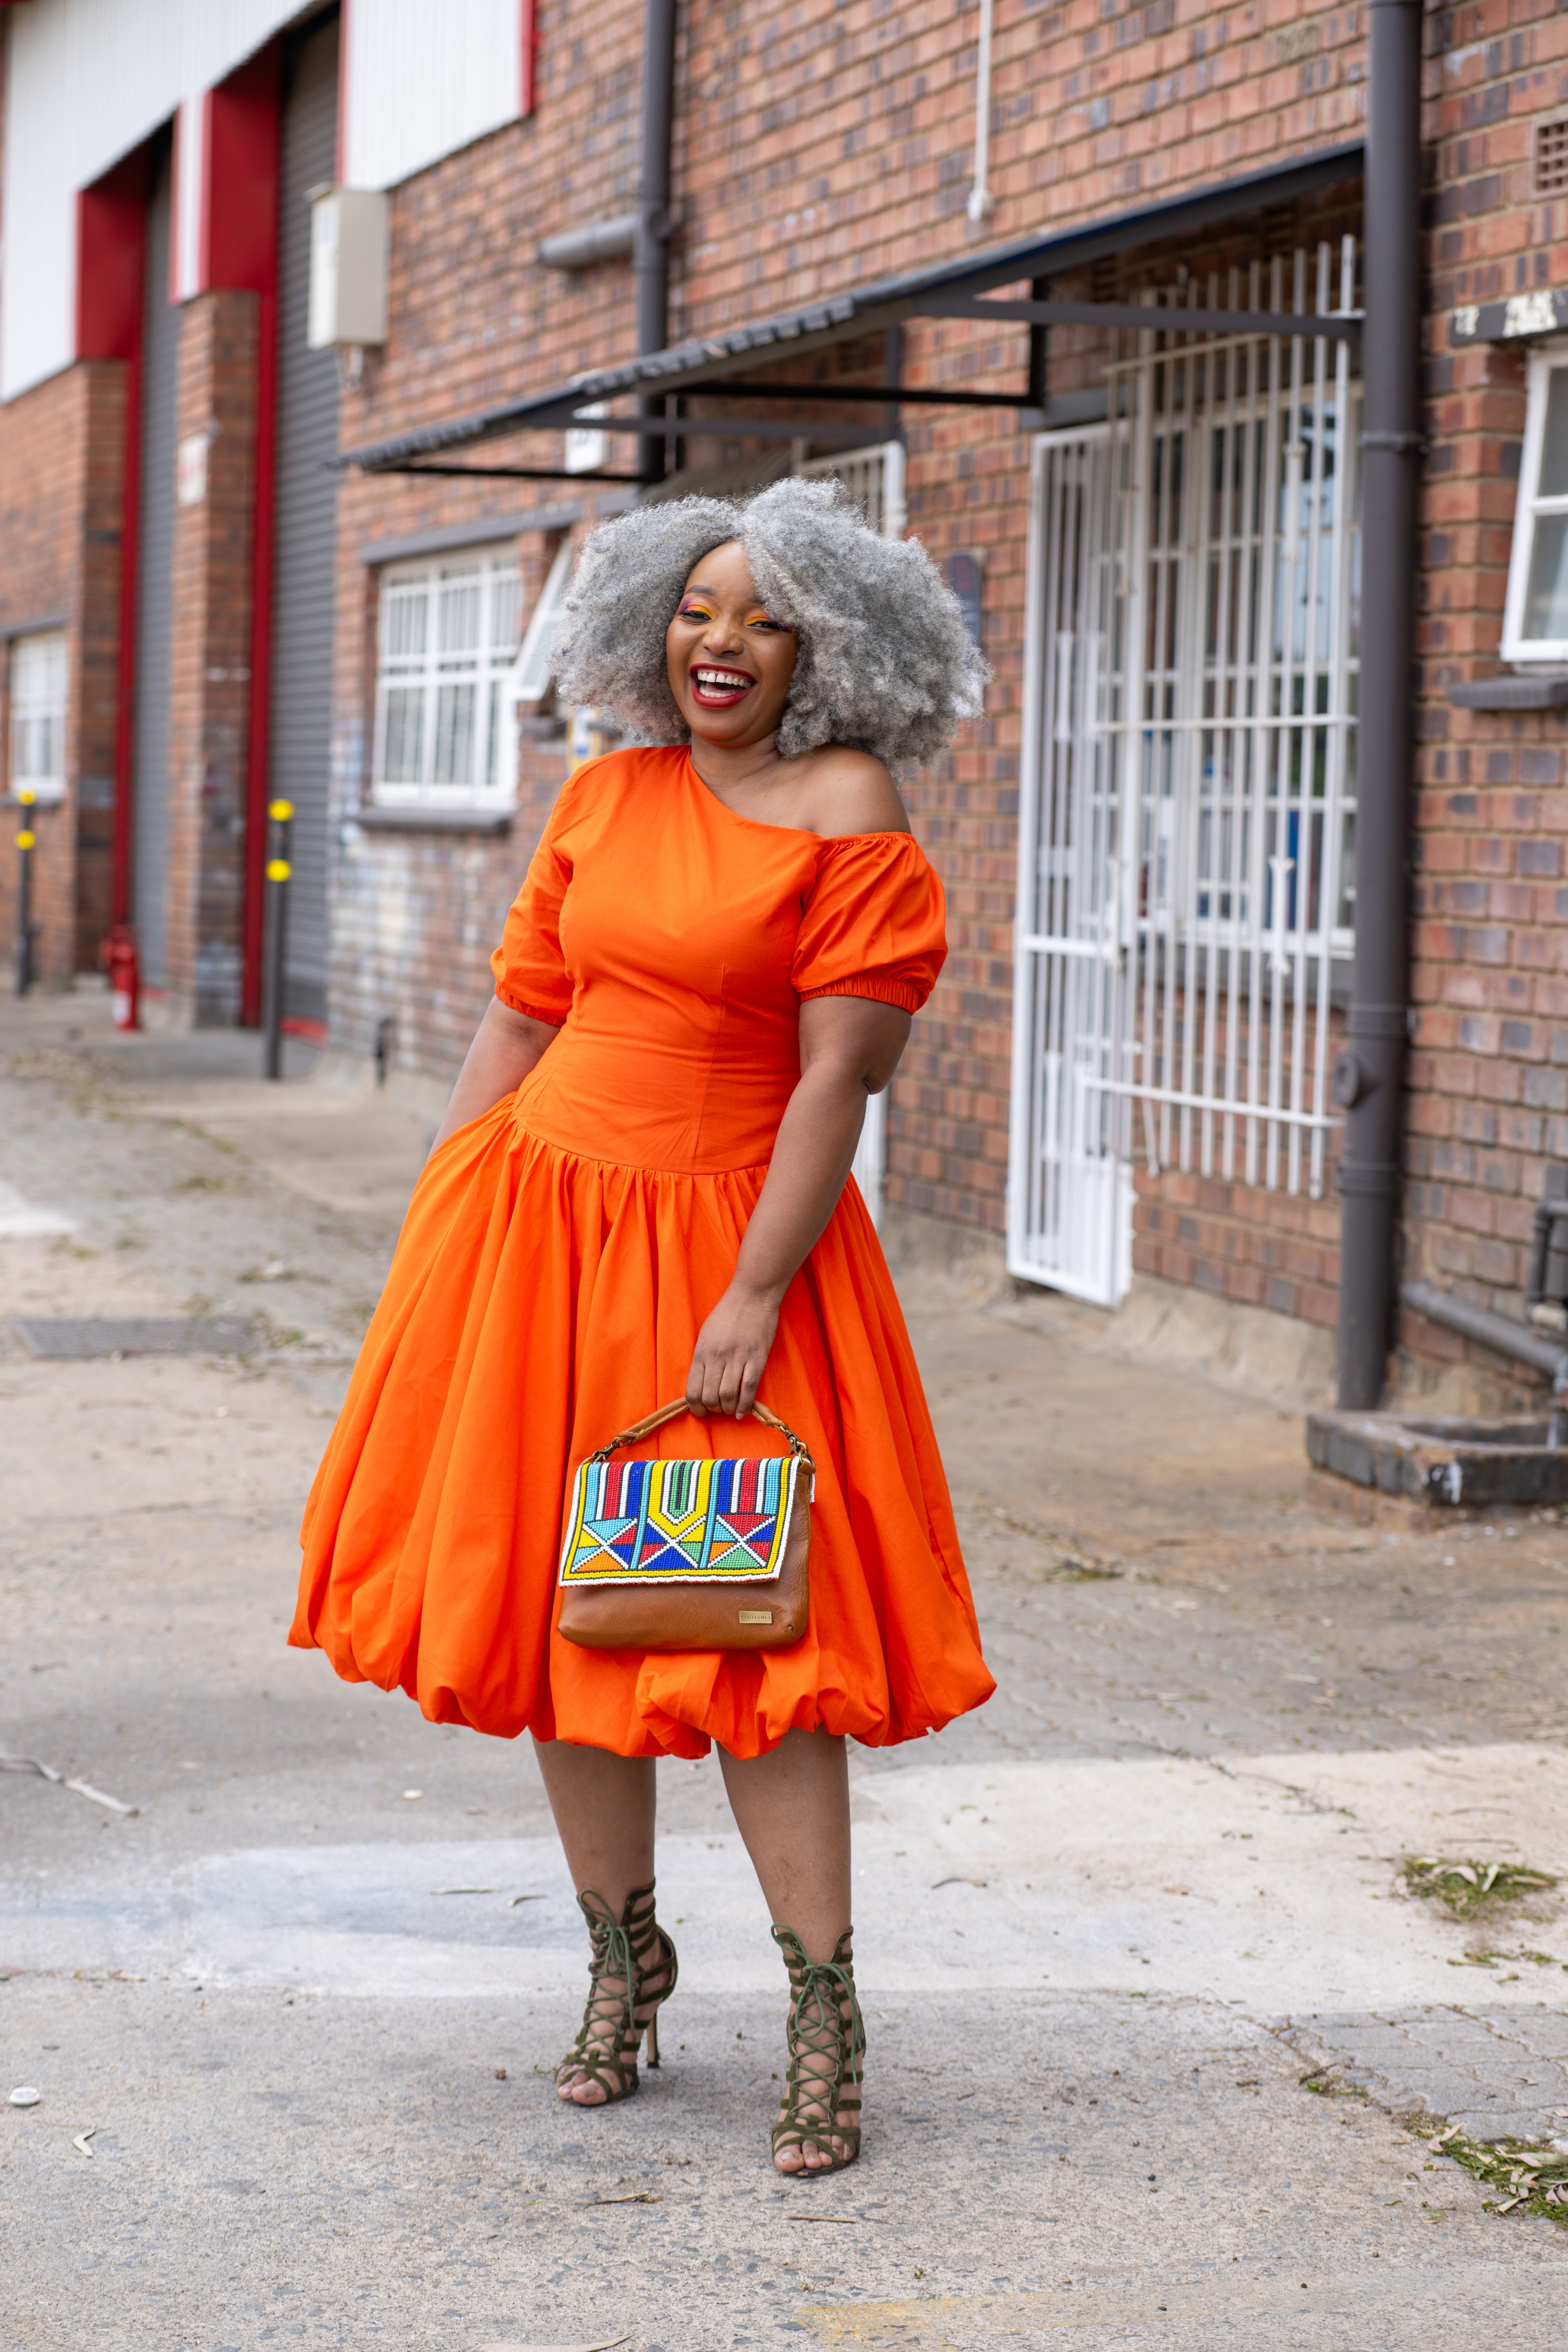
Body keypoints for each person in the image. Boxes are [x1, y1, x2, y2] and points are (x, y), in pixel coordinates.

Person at [290, 477, 996, 2175]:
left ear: (829, 647)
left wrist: (753, 1289)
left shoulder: (848, 803)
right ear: (646, 626)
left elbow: (838, 1079)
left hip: (731, 1252)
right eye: (694, 609)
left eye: (763, 616)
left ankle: (823, 2007)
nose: (719, 642)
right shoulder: (605, 791)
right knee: (577, 1624)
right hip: (537, 1239)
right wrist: (443, 1212)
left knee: (761, 1644)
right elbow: (523, 1020)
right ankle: (624, 1961)